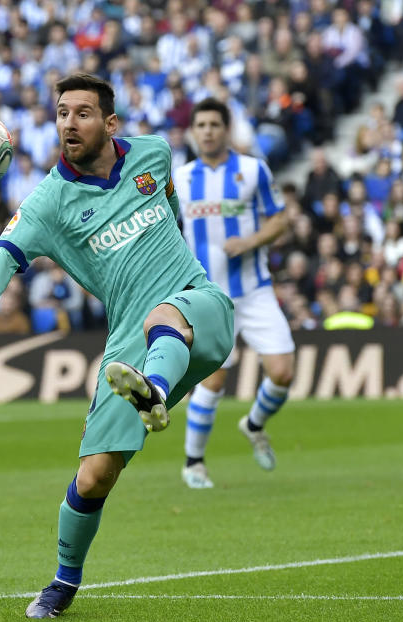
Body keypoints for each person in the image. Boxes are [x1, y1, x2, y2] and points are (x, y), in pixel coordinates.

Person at [0, 73, 234, 619]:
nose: (69, 123)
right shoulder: (48, 202)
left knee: (166, 314)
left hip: (199, 303)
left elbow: (169, 211)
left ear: (110, 123)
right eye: (62, 113)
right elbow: (4, 256)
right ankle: (63, 583)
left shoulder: (153, 154)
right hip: (127, 343)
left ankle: (152, 392)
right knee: (94, 476)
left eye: (82, 113)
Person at [172, 97, 295, 489]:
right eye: (201, 125)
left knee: (282, 373)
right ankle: (194, 463)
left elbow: (281, 219)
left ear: (226, 130)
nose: (207, 131)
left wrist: (251, 240)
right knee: (213, 381)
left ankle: (254, 424)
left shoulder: (252, 170)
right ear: (193, 131)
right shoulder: (181, 177)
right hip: (208, 297)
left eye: (214, 124)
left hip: (255, 291)